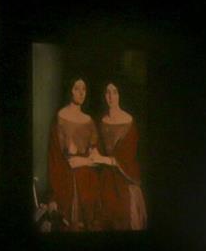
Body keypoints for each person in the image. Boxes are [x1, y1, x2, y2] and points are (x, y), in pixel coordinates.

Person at [85, 79, 147, 230]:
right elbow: (98, 148)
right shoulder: (102, 121)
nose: (111, 97)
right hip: (104, 178)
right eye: (107, 92)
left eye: (115, 92)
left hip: (124, 179)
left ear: (120, 95)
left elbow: (127, 158)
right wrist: (93, 151)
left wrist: (102, 159)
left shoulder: (129, 121)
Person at [44, 76, 99, 229]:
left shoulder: (89, 121)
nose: (81, 93)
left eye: (84, 89)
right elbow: (54, 158)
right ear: (70, 90)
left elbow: (96, 157)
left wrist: (83, 161)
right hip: (65, 179)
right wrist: (52, 196)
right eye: (77, 88)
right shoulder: (60, 118)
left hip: (88, 181)